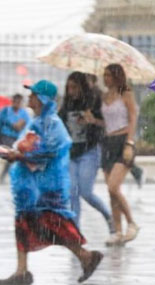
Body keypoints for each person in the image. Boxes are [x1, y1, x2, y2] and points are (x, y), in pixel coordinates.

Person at [0, 80, 103, 285]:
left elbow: (52, 151)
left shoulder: (53, 124)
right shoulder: (35, 121)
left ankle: (86, 256)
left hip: (46, 187)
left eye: (33, 95)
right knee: (24, 223)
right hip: (31, 188)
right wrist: (16, 153)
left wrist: (20, 156)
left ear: (42, 99)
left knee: (55, 225)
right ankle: (22, 270)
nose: (29, 98)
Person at [58, 72, 115, 236]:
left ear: (82, 87)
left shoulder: (95, 101)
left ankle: (108, 216)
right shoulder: (67, 104)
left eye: (74, 87)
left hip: (89, 152)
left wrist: (93, 120)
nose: (71, 91)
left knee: (86, 192)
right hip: (71, 154)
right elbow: (60, 125)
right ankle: (75, 232)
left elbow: (107, 125)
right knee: (72, 192)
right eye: (68, 87)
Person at [98, 64, 140, 246]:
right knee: (111, 192)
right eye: (104, 75)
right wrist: (92, 120)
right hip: (107, 142)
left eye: (108, 75)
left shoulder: (126, 94)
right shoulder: (103, 96)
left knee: (113, 187)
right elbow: (107, 121)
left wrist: (129, 143)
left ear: (116, 76)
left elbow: (132, 119)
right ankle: (117, 231)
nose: (105, 78)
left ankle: (131, 222)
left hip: (123, 141)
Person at [0, 94, 32, 182]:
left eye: (19, 102)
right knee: (11, 156)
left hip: (18, 139)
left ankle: (6, 177)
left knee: (15, 158)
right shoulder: (5, 111)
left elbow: (28, 126)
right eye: (15, 101)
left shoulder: (24, 114)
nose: (16, 104)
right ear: (12, 101)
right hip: (6, 137)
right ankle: (4, 177)